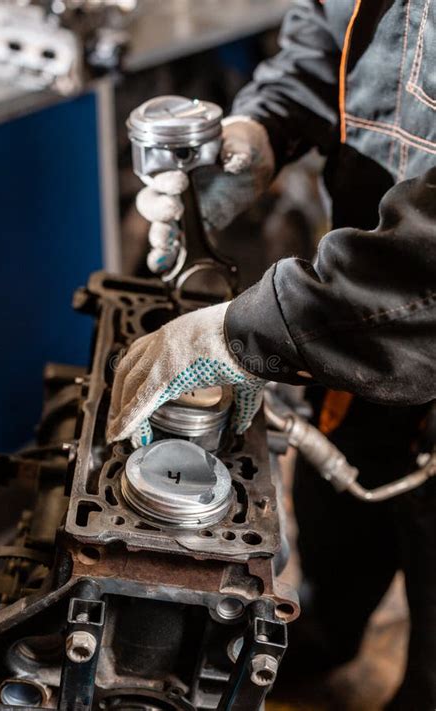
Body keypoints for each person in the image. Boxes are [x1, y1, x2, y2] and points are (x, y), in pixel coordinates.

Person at [108, 2, 436, 708]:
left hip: (393, 309)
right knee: (337, 533)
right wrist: (265, 123)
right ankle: (321, 639)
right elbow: (338, 31)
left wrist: (257, 329)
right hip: (363, 336)